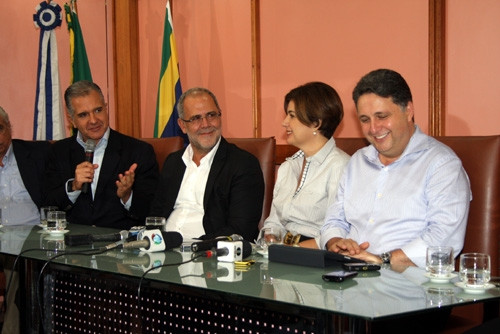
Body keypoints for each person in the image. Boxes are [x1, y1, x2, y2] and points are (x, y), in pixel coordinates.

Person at [320, 69, 471, 267]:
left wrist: (383, 260)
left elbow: (444, 240)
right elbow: (333, 221)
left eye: (381, 116)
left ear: (408, 111)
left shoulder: (442, 164)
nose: (373, 129)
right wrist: (337, 242)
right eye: (365, 120)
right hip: (348, 277)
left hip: (409, 285)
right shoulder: (357, 162)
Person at [149, 87, 264, 242]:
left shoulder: (243, 164)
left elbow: (241, 229)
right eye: (196, 118)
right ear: (183, 125)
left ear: (220, 116)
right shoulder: (173, 162)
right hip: (163, 248)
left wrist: (195, 246)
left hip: (208, 254)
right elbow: (155, 216)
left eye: (211, 115)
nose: (205, 124)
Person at [44, 80, 159, 229]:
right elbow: (47, 205)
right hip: (72, 242)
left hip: (120, 243)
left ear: (106, 108)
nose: (93, 120)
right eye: (83, 115)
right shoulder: (58, 151)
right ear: (72, 120)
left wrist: (127, 196)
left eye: (98, 110)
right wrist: (74, 186)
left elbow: (153, 211)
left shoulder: (139, 151)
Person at [259, 82, 349, 249]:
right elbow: (273, 221)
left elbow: (337, 231)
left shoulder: (340, 166)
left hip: (315, 255)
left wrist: (293, 251)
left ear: (316, 123)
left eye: (291, 115)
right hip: (281, 251)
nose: (284, 122)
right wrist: (270, 240)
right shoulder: (288, 166)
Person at [0, 106, 50, 334]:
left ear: (9, 128)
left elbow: (57, 197)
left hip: (32, 242)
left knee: (17, 278)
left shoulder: (37, 154)